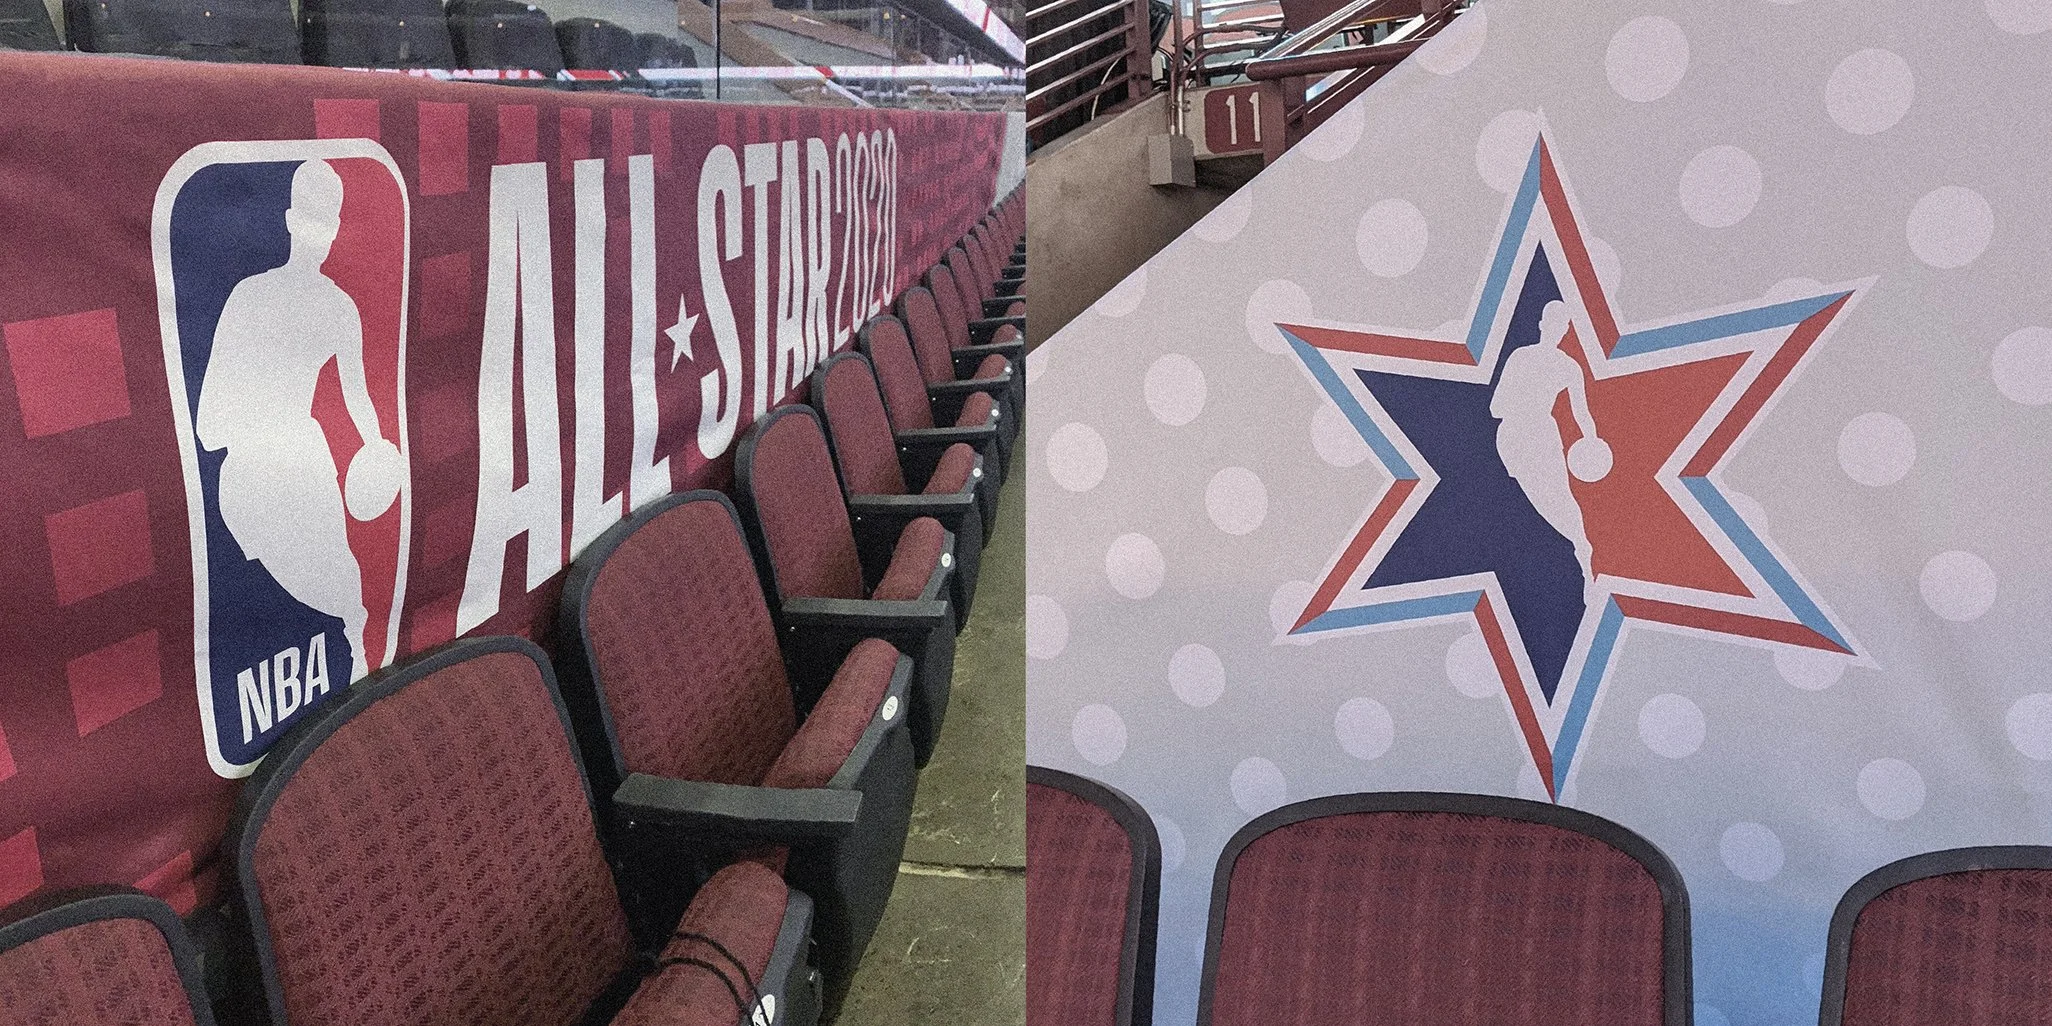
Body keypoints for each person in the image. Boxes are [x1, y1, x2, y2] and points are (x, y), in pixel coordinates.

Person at [195, 159, 402, 677]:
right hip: (252, 482)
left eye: (329, 222)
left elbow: (360, 399)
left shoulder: (338, 307)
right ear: (289, 221)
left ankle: (353, 666)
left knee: (347, 599)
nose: (322, 235)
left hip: (304, 471)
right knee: (332, 601)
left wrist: (377, 452)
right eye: (315, 220)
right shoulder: (249, 297)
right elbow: (208, 425)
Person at [1490, 300, 1610, 580]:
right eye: (1557, 324)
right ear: (1545, 326)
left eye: (1561, 326)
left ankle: (1582, 549)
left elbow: (1582, 414)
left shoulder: (1566, 367)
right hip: (1517, 437)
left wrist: (1591, 442)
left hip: (1537, 434)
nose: (1558, 330)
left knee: (1556, 497)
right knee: (1546, 500)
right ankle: (1580, 546)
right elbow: (1495, 408)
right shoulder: (1527, 359)